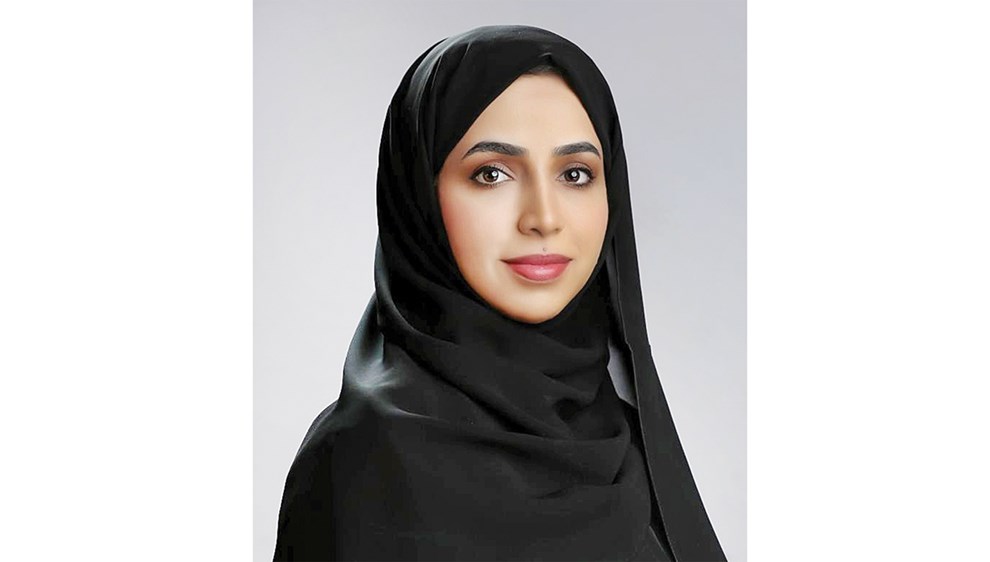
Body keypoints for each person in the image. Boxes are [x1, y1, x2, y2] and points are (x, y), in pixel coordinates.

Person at [272, 24, 727, 561]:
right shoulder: (361, 461)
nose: (544, 218)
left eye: (575, 174)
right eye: (491, 174)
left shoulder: (620, 437)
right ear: (418, 194)